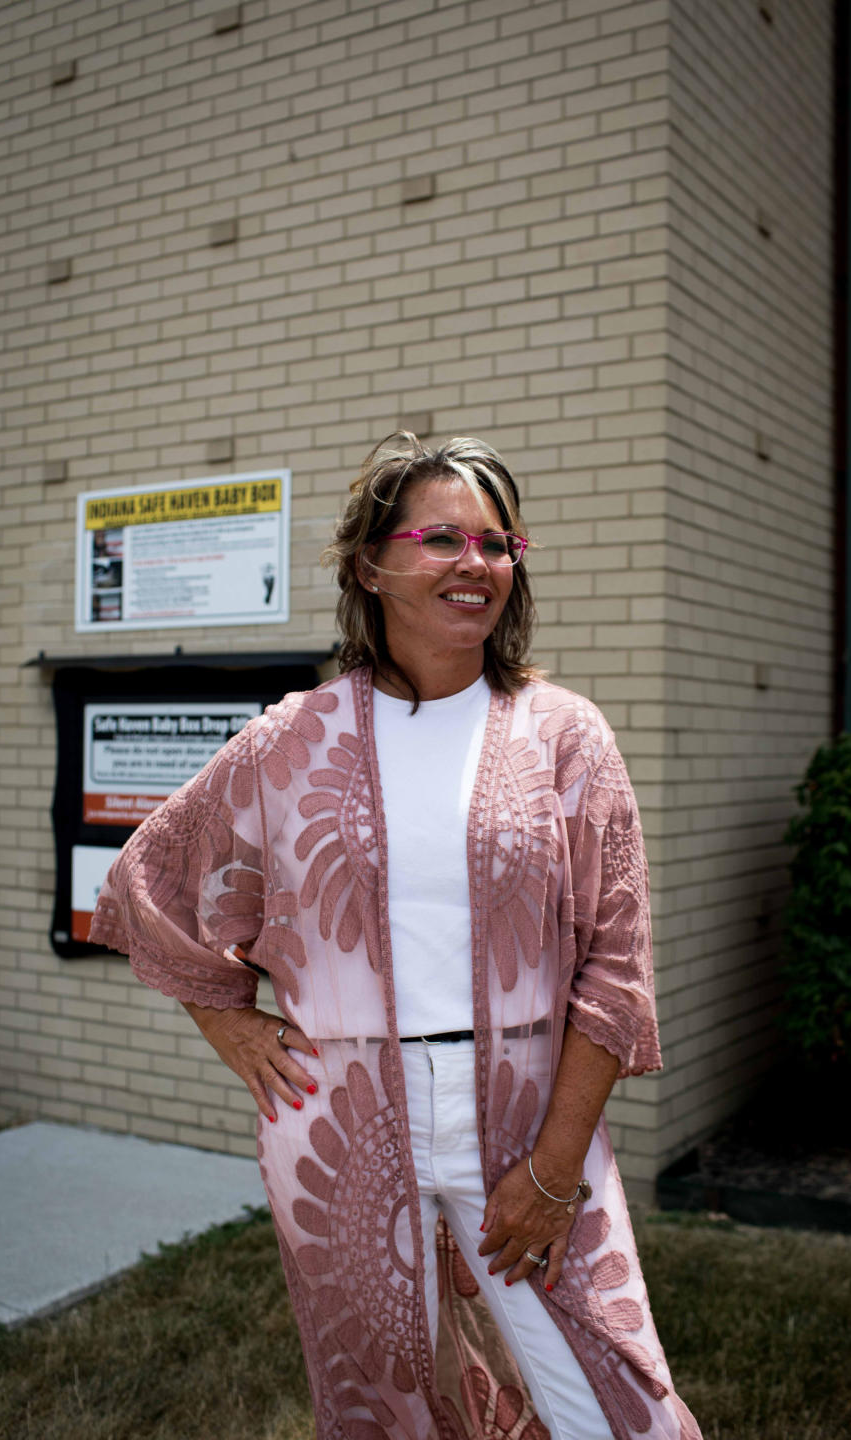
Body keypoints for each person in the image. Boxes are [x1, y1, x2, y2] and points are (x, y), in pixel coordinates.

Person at [90, 433, 701, 1440]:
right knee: (382, 1402)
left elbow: (614, 970)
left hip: (525, 1112)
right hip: (338, 1126)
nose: (477, 564)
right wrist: (230, 1026)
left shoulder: (564, 735)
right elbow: (153, 879)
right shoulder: (292, 740)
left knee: (606, 1400)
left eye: (499, 543)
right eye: (443, 538)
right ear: (370, 564)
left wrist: (552, 1173)